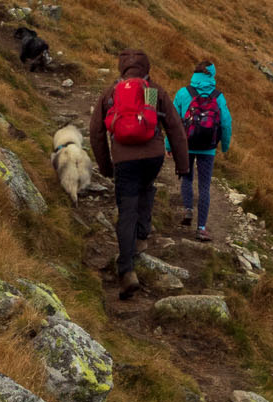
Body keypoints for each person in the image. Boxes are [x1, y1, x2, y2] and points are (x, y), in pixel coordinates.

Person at [89, 48, 190, 298]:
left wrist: (105, 166)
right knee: (147, 189)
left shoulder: (111, 93)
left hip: (124, 160)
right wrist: (182, 164)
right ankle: (142, 236)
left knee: (126, 210)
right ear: (147, 67)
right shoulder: (153, 91)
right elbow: (175, 127)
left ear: (121, 68)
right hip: (152, 156)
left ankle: (126, 270)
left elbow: (96, 133)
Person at [173, 61, 232, 240]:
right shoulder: (218, 96)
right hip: (208, 148)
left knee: (187, 178)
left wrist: (169, 145)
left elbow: (173, 123)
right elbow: (226, 123)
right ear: (212, 75)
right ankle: (201, 228)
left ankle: (188, 210)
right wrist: (224, 145)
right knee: (205, 186)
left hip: (186, 145)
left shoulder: (184, 93)